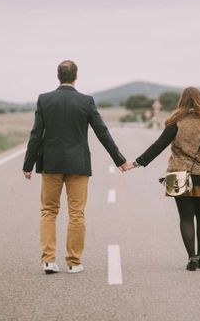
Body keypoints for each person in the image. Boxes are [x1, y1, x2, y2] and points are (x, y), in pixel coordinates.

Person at [22, 60, 128, 274]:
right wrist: (120, 160)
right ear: (76, 76)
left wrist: (28, 164)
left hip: (51, 164)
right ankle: (73, 262)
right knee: (76, 213)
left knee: (49, 211)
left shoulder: (45, 100)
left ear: (58, 75)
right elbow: (102, 132)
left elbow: (36, 134)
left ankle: (48, 260)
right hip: (78, 164)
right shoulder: (86, 101)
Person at [131, 86, 200, 271]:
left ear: (182, 100)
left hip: (179, 174)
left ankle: (191, 258)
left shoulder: (176, 122)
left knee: (185, 218)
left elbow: (157, 146)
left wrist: (137, 163)